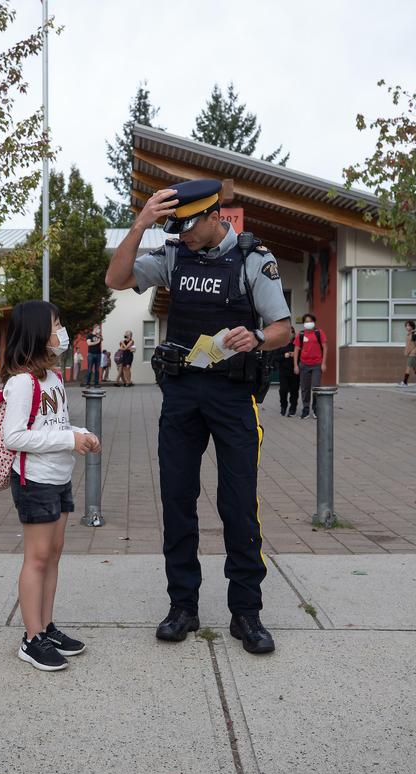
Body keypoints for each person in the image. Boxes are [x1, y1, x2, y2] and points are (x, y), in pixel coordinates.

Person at [105, 179, 292, 655]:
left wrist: (257, 337)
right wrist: (142, 223)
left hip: (233, 398)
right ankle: (182, 606)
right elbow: (116, 278)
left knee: (237, 504)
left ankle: (246, 614)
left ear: (215, 218)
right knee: (177, 501)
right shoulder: (173, 256)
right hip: (182, 395)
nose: (182, 236)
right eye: (175, 228)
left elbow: (283, 329)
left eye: (188, 227)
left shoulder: (253, 259)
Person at [0, 300, 100, 672]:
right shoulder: (22, 383)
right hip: (35, 481)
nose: (62, 332)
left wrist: (81, 434)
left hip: (58, 478)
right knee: (37, 558)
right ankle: (31, 638)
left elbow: (55, 426)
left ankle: (45, 627)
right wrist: (67, 442)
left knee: (53, 555)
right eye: (57, 324)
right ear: (39, 333)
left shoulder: (52, 379)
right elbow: (15, 437)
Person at [293, 313, 326, 418]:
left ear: (314, 322)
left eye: (310, 321)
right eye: (306, 321)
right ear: (303, 323)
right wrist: (295, 366)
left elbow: (325, 347)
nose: (308, 323)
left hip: (316, 364)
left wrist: (323, 363)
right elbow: (296, 350)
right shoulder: (300, 335)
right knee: (305, 388)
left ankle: (315, 409)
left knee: (316, 386)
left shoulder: (319, 333)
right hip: (304, 365)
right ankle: (306, 409)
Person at [276, 324, 299, 417]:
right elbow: (275, 357)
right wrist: (283, 356)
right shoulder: (280, 344)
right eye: (288, 332)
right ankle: (283, 406)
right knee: (283, 390)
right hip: (283, 371)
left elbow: (302, 356)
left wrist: (296, 355)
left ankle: (292, 408)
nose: (290, 334)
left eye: (292, 332)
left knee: (294, 391)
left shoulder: (297, 344)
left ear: (294, 334)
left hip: (295, 371)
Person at [401, 321, 416, 386]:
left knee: (408, 367)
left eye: (408, 326)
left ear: (412, 326)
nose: (407, 327)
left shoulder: (415, 334)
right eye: (406, 326)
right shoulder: (409, 334)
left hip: (413, 354)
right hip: (411, 354)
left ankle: (405, 382)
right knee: (415, 368)